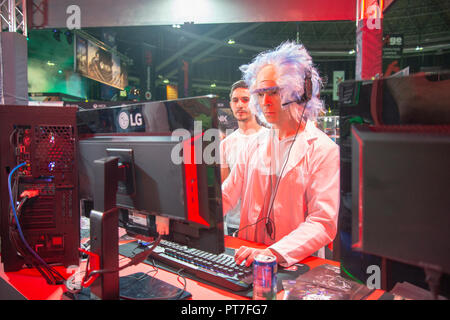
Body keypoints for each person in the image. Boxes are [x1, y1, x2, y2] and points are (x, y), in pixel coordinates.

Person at [221, 41, 340, 268]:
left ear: (299, 92)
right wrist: (192, 218)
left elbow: (322, 222)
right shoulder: (253, 144)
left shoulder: (323, 149)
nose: (265, 102)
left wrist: (274, 253)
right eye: (261, 93)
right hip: (248, 257)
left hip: (297, 265)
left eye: (274, 92)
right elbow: (228, 194)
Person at [220, 80, 268, 235]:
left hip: (264, 222)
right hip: (234, 222)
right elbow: (224, 187)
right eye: (235, 100)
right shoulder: (225, 144)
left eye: (245, 99)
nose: (240, 104)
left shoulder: (271, 138)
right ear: (230, 104)